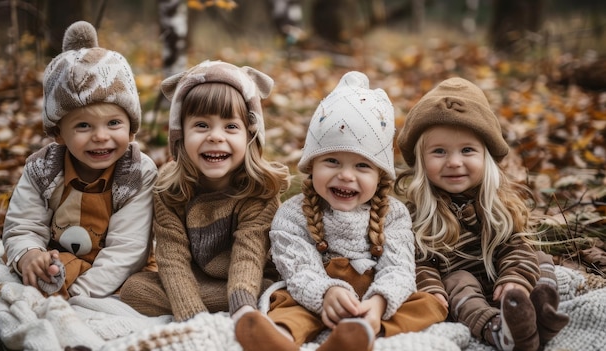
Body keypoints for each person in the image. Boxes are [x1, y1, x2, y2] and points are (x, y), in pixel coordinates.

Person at [235, 71, 448, 351]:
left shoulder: (393, 214)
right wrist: (326, 293)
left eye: (362, 166)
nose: (346, 176)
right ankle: (280, 337)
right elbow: (298, 268)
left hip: (375, 300)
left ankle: (360, 333)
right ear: (312, 166)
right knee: (285, 301)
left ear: (380, 176)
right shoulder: (292, 213)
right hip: (316, 298)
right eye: (332, 161)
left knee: (428, 304)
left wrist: (378, 304)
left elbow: (399, 268)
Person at [394, 77, 570, 351]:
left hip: (506, 288)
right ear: (421, 160)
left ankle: (537, 313)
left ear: (486, 156)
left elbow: (515, 245)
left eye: (467, 150)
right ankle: (497, 329)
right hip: (461, 293)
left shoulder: (497, 202)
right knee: (458, 279)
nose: (454, 162)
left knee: (540, 259)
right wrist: (431, 290)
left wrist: (515, 278)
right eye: (439, 151)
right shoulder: (415, 213)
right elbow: (419, 262)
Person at [119, 60, 290, 322]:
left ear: (250, 135)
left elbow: (249, 255)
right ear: (180, 135)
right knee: (134, 289)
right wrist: (192, 315)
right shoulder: (170, 187)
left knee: (265, 286)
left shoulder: (258, 189)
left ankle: (249, 297)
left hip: (250, 276)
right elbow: (171, 256)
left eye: (231, 126)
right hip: (196, 276)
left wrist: (243, 307)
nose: (215, 136)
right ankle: (218, 299)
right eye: (201, 125)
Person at [1, 21, 157, 299]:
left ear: (131, 129)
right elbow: (22, 225)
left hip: (114, 273)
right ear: (58, 133)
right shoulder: (42, 169)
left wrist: (77, 294)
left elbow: (128, 249)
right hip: (60, 260)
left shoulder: (136, 173)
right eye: (83, 126)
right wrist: (29, 254)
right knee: (29, 272)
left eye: (113, 123)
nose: (100, 136)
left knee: (140, 292)